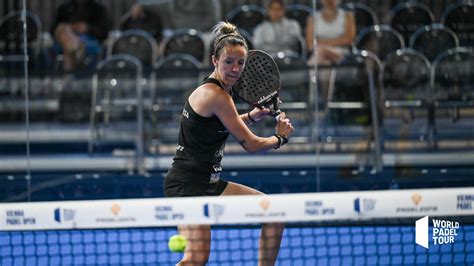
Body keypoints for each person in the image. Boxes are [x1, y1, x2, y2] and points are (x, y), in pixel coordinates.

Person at [163, 21, 294, 265]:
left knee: (274, 215)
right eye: (229, 62)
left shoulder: (220, 91)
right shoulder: (217, 95)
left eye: (240, 63)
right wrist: (280, 138)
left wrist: (252, 116)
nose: (235, 69)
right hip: (188, 185)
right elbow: (251, 144)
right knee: (195, 259)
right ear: (215, 60)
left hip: (208, 182)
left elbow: (220, 123)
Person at [51, 0, 109, 72]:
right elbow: (53, 30)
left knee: (68, 48)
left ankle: (69, 74)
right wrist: (70, 28)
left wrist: (87, 28)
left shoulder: (98, 9)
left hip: (89, 40)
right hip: (67, 40)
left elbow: (104, 32)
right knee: (62, 28)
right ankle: (75, 47)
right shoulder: (64, 8)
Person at [305, 0, 356, 65]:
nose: (330, 1)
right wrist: (339, 40)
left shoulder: (348, 16)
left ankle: (309, 73)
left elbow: (349, 39)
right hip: (319, 55)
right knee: (324, 61)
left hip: (342, 54)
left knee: (321, 51)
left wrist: (321, 43)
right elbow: (310, 45)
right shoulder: (312, 18)